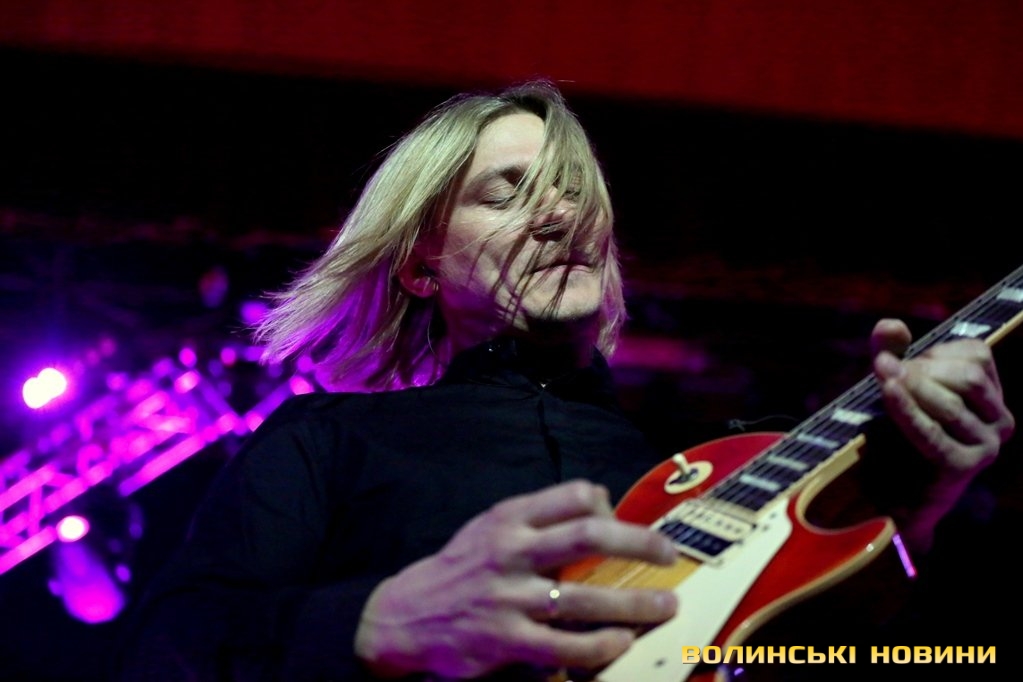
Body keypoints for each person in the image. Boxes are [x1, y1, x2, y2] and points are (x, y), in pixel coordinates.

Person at [116, 80, 1015, 681]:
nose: (559, 214)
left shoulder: (717, 462)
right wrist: (374, 620)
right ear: (422, 266)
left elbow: (871, 658)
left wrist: (918, 503)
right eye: (506, 194)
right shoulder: (327, 441)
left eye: (572, 191)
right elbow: (165, 649)